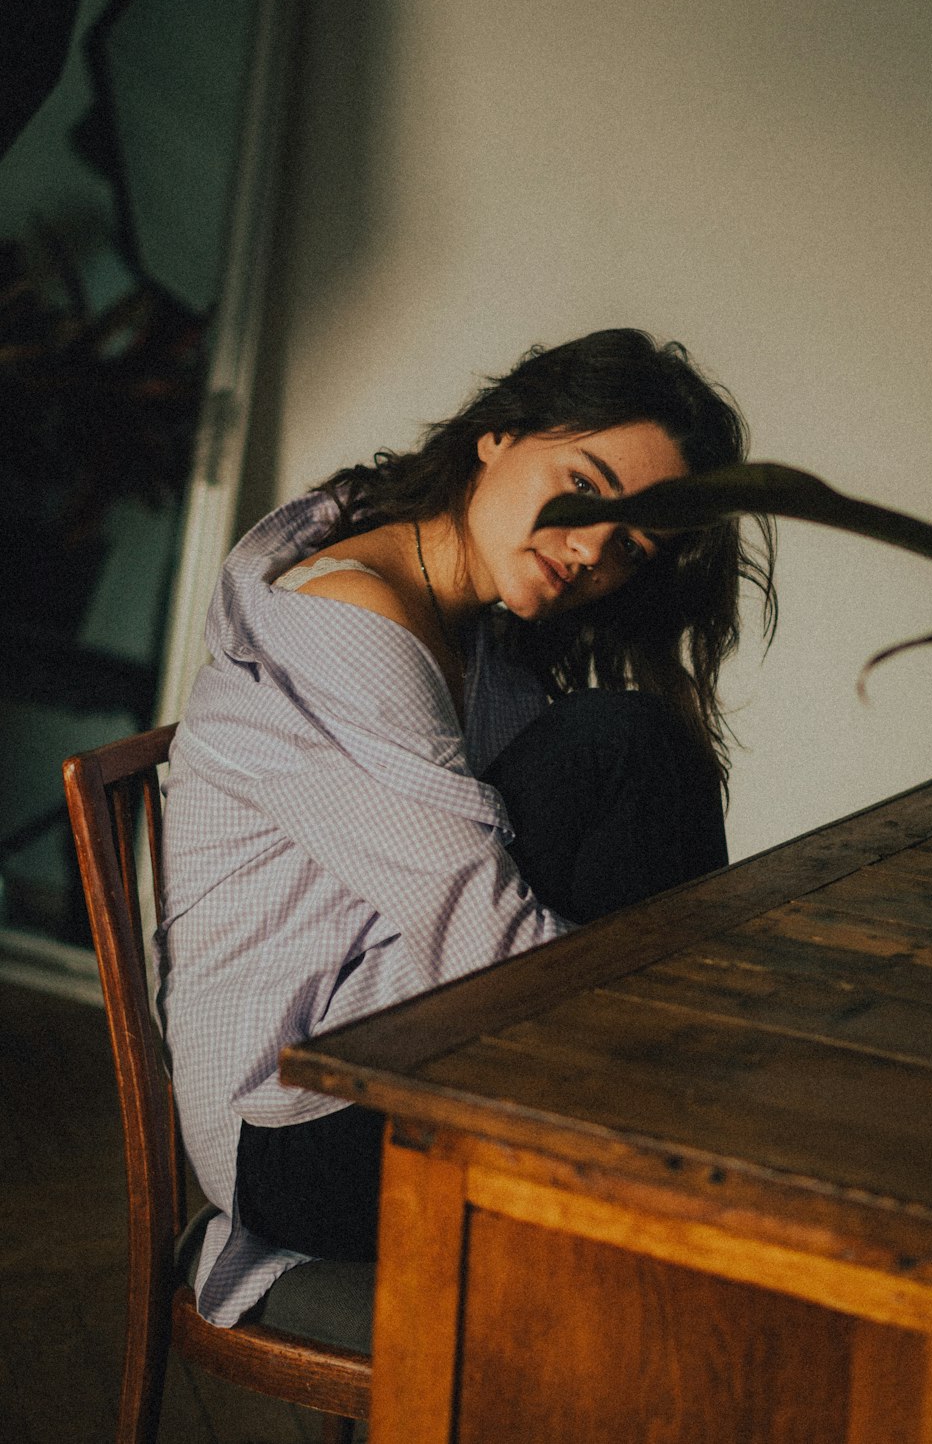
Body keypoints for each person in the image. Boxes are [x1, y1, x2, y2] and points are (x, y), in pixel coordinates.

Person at [156, 328, 776, 1327]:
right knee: (626, 741)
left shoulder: (480, 640)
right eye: (584, 488)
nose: (590, 552)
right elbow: (484, 942)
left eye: (630, 547)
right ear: (500, 434)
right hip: (294, 1125)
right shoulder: (348, 624)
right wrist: (676, 1080)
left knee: (634, 745)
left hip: (393, 1043)